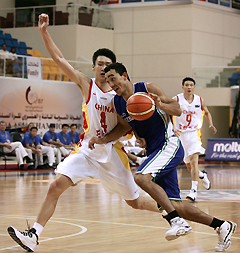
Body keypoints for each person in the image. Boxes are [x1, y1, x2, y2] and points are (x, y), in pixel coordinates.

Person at [7, 13, 191, 252]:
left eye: (108, 64)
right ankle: (33, 234)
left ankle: (173, 212)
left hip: (113, 152)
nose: (104, 68)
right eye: (100, 64)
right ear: (93, 67)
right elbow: (60, 59)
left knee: (134, 202)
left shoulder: (124, 95)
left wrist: (139, 134)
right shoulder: (86, 84)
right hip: (87, 149)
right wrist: (43, 32)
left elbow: (130, 122)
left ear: (114, 70)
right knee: (55, 186)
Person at [88, 62, 237, 252]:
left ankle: (176, 221)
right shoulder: (117, 102)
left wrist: (161, 104)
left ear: (124, 76)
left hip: (169, 145)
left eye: (113, 79)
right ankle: (221, 225)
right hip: (154, 151)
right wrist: (109, 139)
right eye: (108, 81)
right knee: (177, 205)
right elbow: (125, 126)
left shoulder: (147, 89)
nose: (111, 84)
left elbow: (178, 110)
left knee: (141, 178)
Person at [173, 77, 217, 202]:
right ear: (182, 87)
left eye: (191, 85)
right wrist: (172, 127)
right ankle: (202, 175)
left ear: (194, 87)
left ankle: (193, 191)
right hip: (181, 134)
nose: (189, 87)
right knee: (188, 166)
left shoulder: (199, 100)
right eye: (186, 85)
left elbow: (207, 112)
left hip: (194, 134)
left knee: (194, 162)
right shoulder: (176, 99)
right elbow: (166, 112)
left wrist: (211, 124)